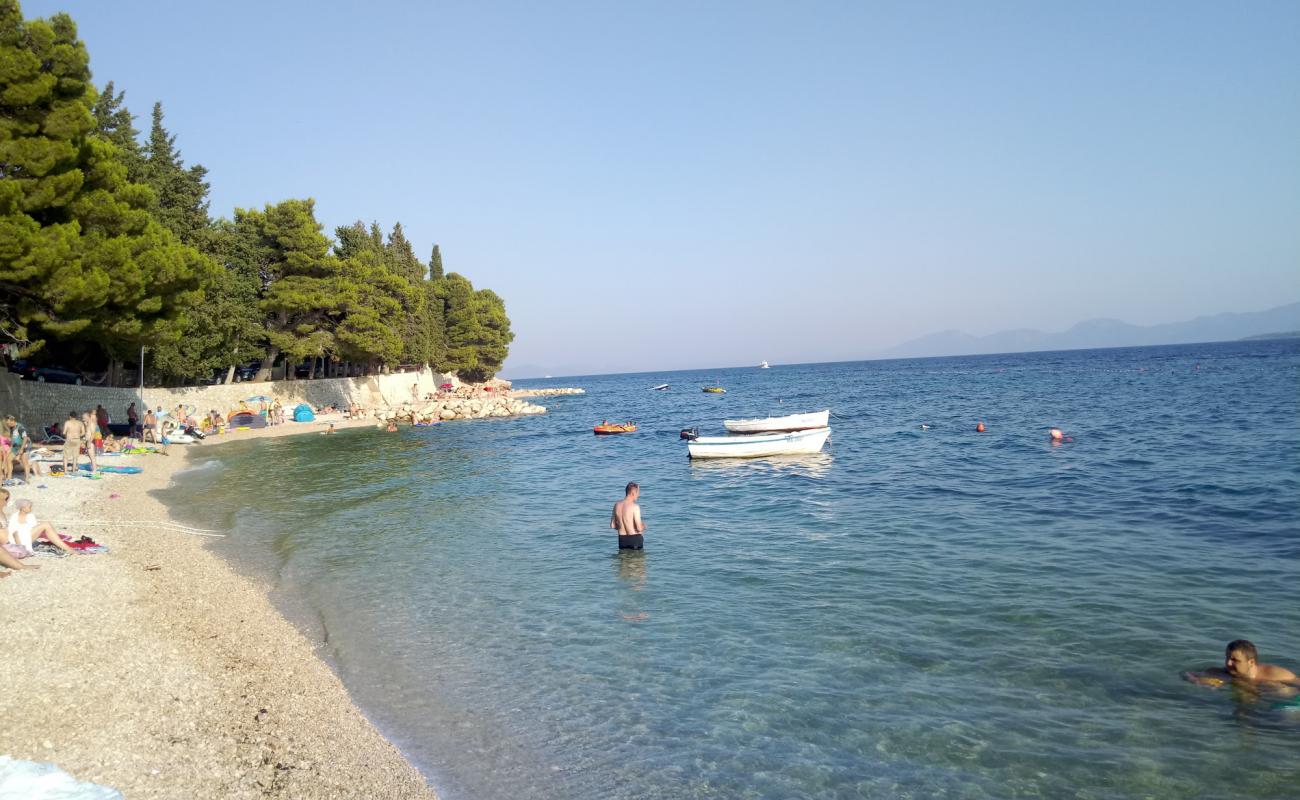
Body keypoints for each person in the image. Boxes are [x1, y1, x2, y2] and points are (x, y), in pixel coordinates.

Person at [1184, 639, 1299, 688]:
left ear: (1251, 662)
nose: (1228, 663)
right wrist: (1198, 681)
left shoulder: (1276, 674)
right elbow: (1187, 674)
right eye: (1227, 658)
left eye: (1235, 660)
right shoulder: (1223, 673)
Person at [6, 498, 76, 556]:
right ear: (23, 508)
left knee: (46, 525)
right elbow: (12, 532)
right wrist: (19, 546)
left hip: (27, 536)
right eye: (29, 507)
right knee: (46, 524)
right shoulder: (14, 517)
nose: (31, 509)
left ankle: (67, 548)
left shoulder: (30, 516)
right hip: (17, 540)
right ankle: (68, 549)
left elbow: (33, 529)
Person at [610, 482, 646, 550]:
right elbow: (639, 528)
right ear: (633, 493)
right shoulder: (635, 507)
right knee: (636, 560)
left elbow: (612, 525)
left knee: (624, 560)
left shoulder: (616, 505)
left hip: (622, 540)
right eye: (638, 493)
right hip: (635, 540)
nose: (638, 495)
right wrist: (644, 526)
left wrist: (622, 526)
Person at [60, 411, 86, 475]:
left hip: (69, 439)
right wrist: (77, 435)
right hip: (77, 440)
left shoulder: (67, 422)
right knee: (75, 456)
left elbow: (64, 432)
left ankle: (65, 471)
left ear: (70, 416)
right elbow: (83, 432)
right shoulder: (80, 423)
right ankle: (73, 470)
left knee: (66, 456)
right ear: (76, 416)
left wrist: (63, 432)